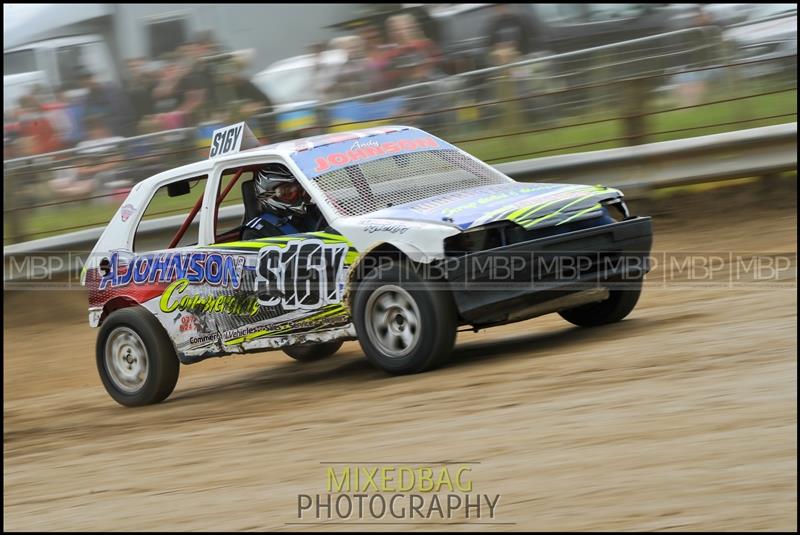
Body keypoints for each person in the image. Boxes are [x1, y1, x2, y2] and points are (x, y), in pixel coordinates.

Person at [242, 167, 324, 239]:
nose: (298, 194)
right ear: (268, 196)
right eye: (287, 191)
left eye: (301, 188)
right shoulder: (256, 232)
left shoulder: (318, 212)